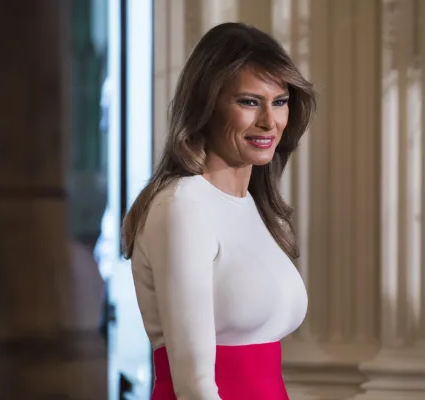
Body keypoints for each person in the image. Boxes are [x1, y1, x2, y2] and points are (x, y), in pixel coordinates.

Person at [121, 22, 316, 400]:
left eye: (280, 101)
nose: (269, 121)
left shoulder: (259, 210)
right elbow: (194, 386)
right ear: (206, 106)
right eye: (249, 101)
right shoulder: (183, 207)